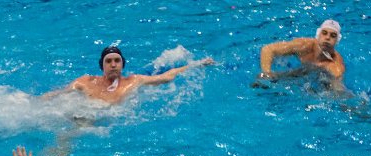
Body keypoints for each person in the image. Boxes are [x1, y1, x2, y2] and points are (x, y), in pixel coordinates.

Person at [51, 46, 214, 104]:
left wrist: (196, 64)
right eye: (108, 61)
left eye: (117, 60)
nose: (113, 64)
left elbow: (167, 76)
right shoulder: (86, 81)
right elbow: (59, 93)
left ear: (122, 64)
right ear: (102, 65)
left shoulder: (134, 80)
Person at [253, 19, 346, 93]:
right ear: (318, 34)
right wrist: (266, 73)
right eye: (324, 33)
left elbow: (338, 88)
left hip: (319, 81)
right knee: (262, 78)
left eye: (333, 35)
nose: (327, 37)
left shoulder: (335, 65)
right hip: (299, 73)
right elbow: (268, 49)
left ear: (337, 40)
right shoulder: (304, 46)